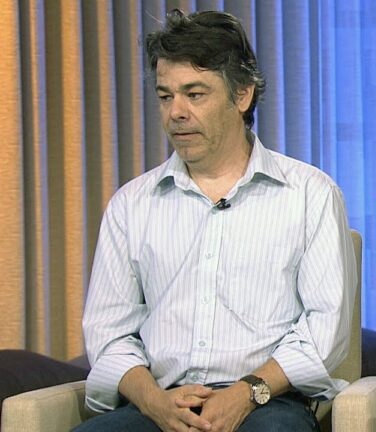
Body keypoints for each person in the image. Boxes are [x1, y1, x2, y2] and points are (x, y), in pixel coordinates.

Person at [75, 9, 356, 432]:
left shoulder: (309, 195)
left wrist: (246, 393)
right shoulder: (130, 205)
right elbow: (109, 334)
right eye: (166, 96)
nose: (176, 113)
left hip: (267, 402)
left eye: (195, 94)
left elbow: (325, 330)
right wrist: (155, 403)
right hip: (161, 403)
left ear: (241, 95)